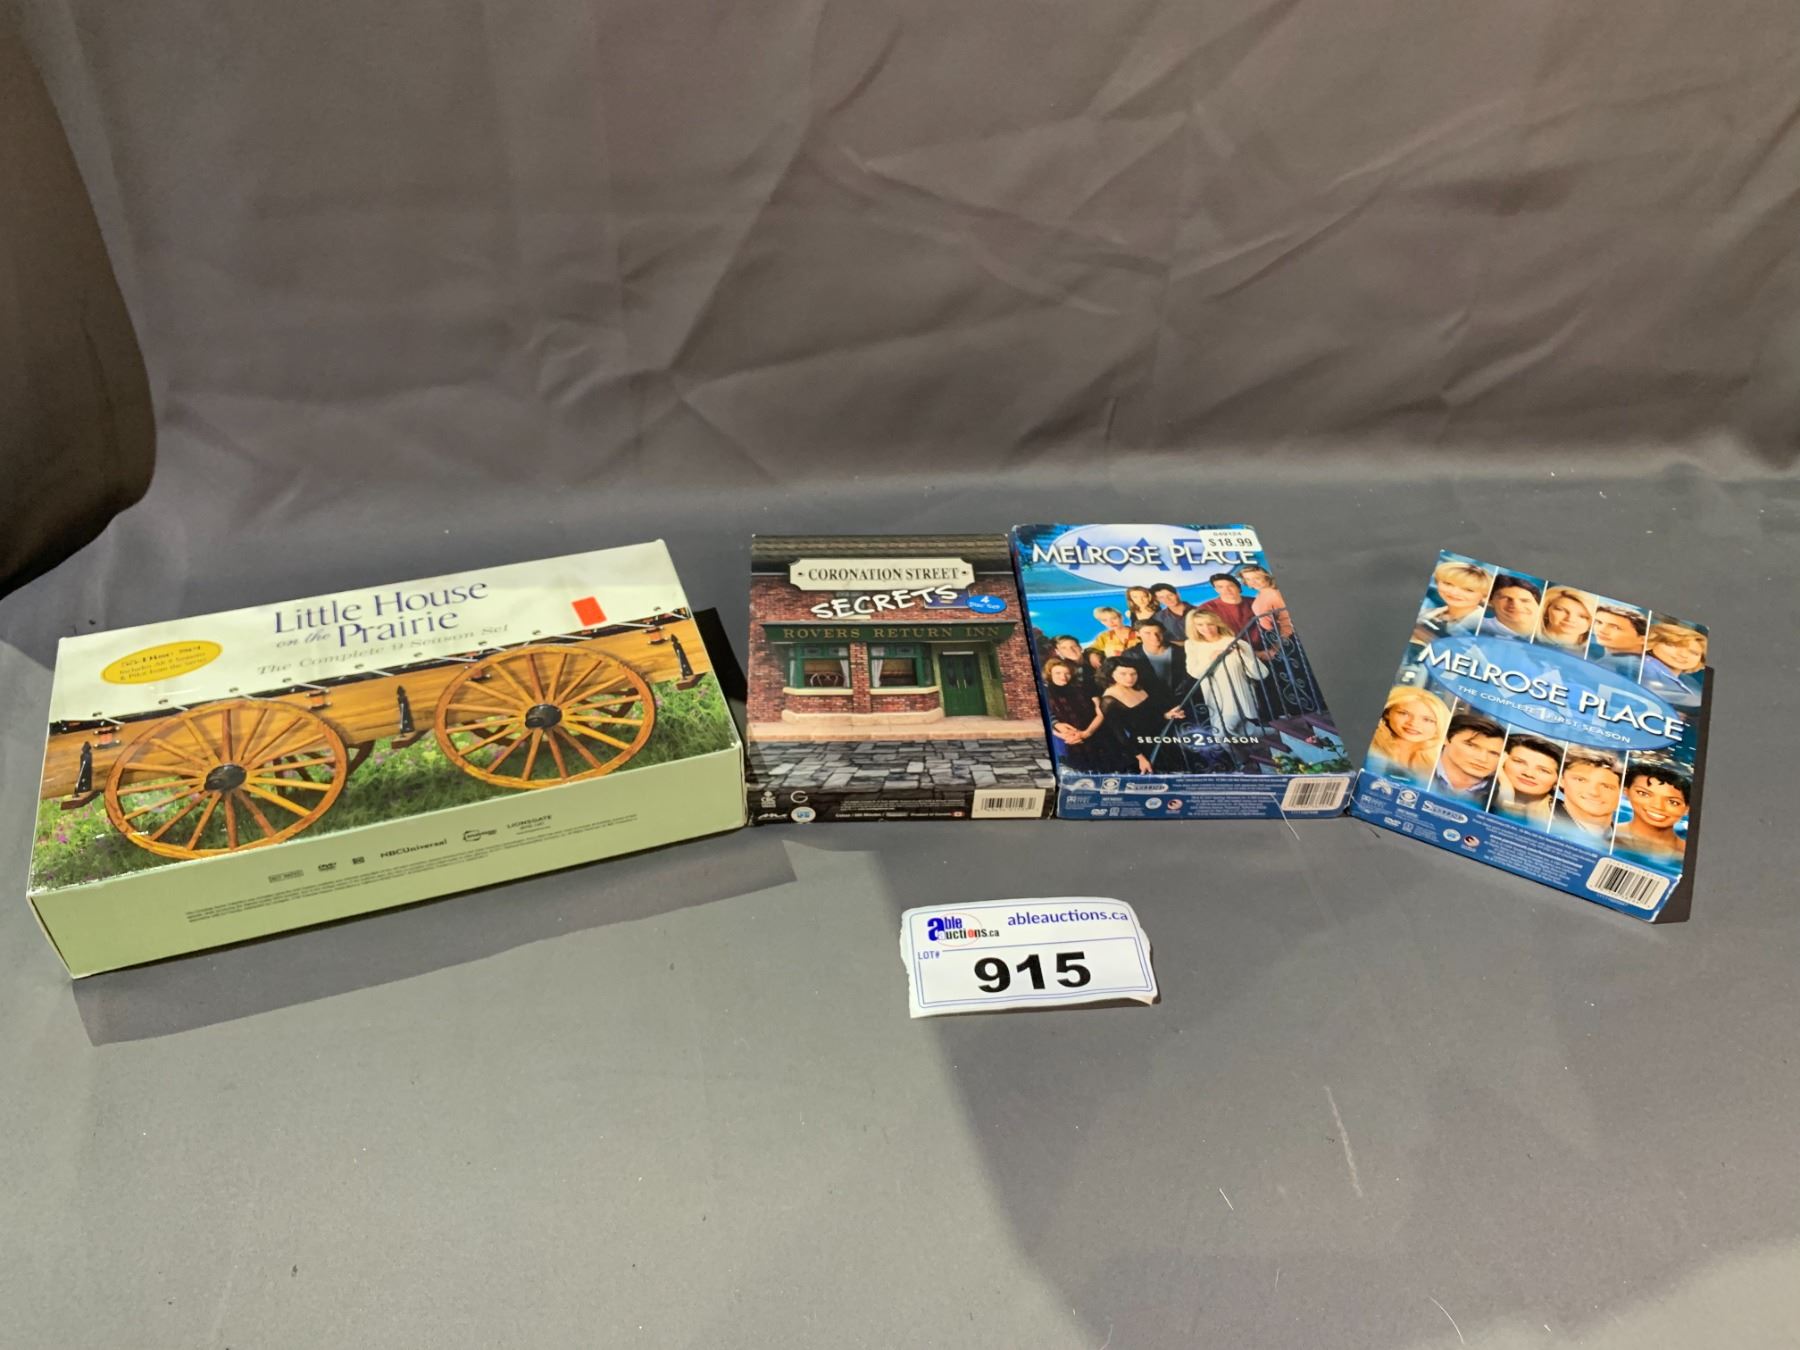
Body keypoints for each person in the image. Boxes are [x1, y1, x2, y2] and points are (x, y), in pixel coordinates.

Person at [1182, 609, 1267, 736]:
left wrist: (1243, 655)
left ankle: (1264, 735)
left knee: (1221, 734)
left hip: (1238, 695)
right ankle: (1268, 733)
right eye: (1200, 625)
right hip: (1213, 698)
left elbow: (1261, 674)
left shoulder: (1235, 642)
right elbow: (1195, 673)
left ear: (1217, 623)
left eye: (1210, 624)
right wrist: (1212, 659)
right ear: (1194, 627)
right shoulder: (1192, 645)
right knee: (1240, 731)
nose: (1206, 628)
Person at [1042, 658, 1115, 772]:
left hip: (1093, 732)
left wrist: (1086, 733)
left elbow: (1100, 714)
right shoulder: (1044, 693)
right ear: (1050, 674)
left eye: (1067, 673)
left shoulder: (1083, 689)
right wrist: (1063, 735)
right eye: (1058, 673)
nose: (1063, 677)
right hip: (1066, 739)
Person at [1366, 685, 1450, 784]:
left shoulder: (1443, 764)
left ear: (1439, 725)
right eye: (1403, 713)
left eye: (1427, 720)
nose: (1413, 723)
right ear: (1387, 713)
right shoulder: (1367, 743)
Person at [1099, 660, 1169, 774]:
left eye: (1133, 674)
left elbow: (1148, 715)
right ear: (1111, 674)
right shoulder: (1109, 701)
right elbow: (1120, 735)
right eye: (1123, 674)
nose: (1129, 678)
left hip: (1159, 738)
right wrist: (1141, 759)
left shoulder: (1139, 687)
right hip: (1138, 750)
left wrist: (1166, 715)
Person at [1613, 758, 1691, 860]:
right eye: (1643, 794)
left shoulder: (1690, 855)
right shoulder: (1604, 835)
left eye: (1673, 802)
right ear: (1626, 792)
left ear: (1687, 809)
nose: (1657, 806)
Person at [1548, 749, 1624, 844]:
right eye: (1581, 780)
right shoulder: (1542, 819)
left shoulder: (1625, 841)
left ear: (1621, 791)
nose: (1594, 792)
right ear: (1561, 780)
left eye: (1606, 786)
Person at [1430, 711, 1505, 805]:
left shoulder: (1500, 795)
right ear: (1446, 739)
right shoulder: (1416, 766)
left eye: (1493, 753)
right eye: (1472, 746)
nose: (1482, 759)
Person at [1489, 734, 1562, 826]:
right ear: (1502, 761)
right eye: (1519, 762)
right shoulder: (1480, 796)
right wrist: (1506, 791)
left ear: (1558, 780)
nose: (1528, 774)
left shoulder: (1565, 817)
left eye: (1544, 770)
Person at [1121, 620, 1193, 713]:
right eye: (1147, 633)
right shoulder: (1130, 655)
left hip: (1181, 701)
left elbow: (1188, 677)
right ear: (1137, 634)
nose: (1155, 637)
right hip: (1150, 705)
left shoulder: (1179, 651)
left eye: (1158, 632)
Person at [1413, 560, 1493, 641]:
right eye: (1448, 584)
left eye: (1468, 590)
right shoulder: (1426, 612)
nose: (1454, 592)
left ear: (1485, 596)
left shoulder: (1484, 630)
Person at [1639, 621, 1707, 707]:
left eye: (1693, 652)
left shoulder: (1690, 682)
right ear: (1652, 642)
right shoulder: (1644, 668)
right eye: (1673, 645)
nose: (1683, 655)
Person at [1239, 565, 1295, 640]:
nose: (1252, 582)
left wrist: (1282, 640)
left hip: (1287, 637)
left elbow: (1287, 619)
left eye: (1257, 578)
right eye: (1248, 579)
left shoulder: (1274, 594)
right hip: (1273, 636)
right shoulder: (1260, 595)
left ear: (1266, 577)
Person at [1196, 575, 1257, 643]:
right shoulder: (1207, 608)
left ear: (1238, 587)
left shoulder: (1255, 602)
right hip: (1229, 647)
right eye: (1220, 587)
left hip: (1262, 646)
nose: (1227, 590)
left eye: (1230, 586)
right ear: (1216, 590)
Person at [1479, 575, 1543, 639]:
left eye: (1525, 600)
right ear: (1490, 601)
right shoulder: (1478, 625)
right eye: (1506, 598)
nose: (1516, 605)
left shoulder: (1544, 635)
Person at [1589, 604, 1647, 670]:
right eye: (1599, 622)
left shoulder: (1613, 664)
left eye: (1615, 627)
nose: (1601, 630)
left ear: (1642, 639)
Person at [1050, 635, 1099, 700]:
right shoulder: (1062, 670)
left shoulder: (1095, 659)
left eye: (1073, 646)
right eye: (1064, 648)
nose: (1071, 650)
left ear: (1080, 647)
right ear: (1058, 652)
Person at [1149, 583, 1194, 647]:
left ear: (1177, 594)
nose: (1167, 599)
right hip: (1175, 651)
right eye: (1161, 597)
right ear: (1157, 599)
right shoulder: (1157, 618)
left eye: (1170, 595)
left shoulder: (1200, 611)